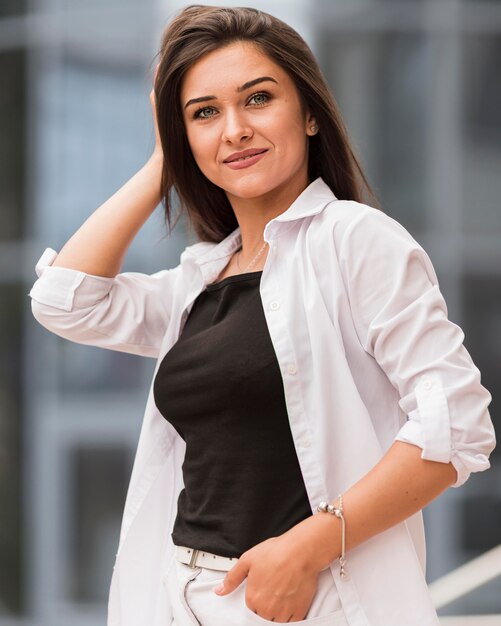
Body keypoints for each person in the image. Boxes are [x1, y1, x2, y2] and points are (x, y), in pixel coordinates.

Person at [28, 5, 496, 626]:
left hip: (301, 596)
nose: (234, 130)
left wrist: (309, 546)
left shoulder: (354, 240)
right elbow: (66, 300)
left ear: (308, 115)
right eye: (204, 114)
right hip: (176, 594)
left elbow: (456, 427)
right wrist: (162, 161)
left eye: (257, 99)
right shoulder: (199, 278)